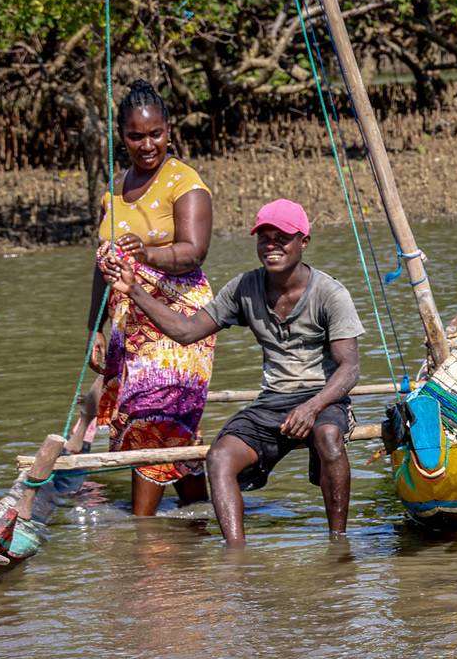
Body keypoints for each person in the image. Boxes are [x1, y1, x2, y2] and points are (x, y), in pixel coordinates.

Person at [103, 199, 363, 545]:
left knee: (329, 437)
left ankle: (338, 543)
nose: (272, 246)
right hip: (274, 401)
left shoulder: (330, 293)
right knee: (220, 457)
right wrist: (133, 290)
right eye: (264, 238)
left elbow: (349, 370)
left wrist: (311, 408)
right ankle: (235, 554)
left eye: (282, 238)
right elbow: (186, 331)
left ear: (303, 242)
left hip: (322, 397)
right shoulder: (244, 288)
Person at [88, 78, 216, 515]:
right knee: (146, 422)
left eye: (155, 134)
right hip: (128, 323)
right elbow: (100, 265)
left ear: (169, 130)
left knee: (155, 419)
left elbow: (193, 251)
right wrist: (95, 329)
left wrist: (149, 253)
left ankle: (140, 535)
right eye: (136, 136)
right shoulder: (114, 189)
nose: (147, 145)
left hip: (179, 321)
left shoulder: (185, 181)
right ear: (121, 136)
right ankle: (199, 517)